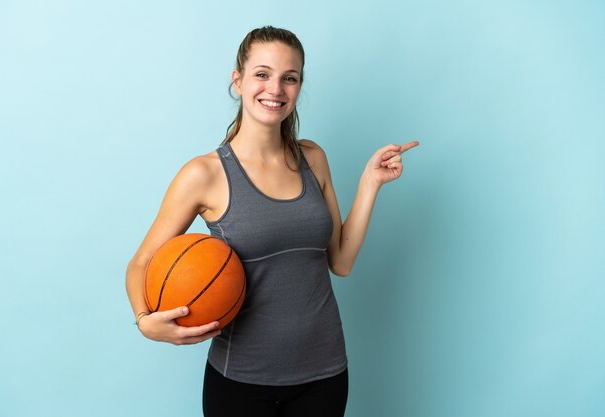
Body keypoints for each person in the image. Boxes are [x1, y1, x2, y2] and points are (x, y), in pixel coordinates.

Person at [125, 25, 419, 417]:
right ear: (238, 81)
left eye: (289, 78)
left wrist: (370, 183)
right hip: (240, 381)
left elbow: (341, 262)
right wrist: (145, 322)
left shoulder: (313, 159)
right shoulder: (205, 174)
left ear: (299, 87)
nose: (275, 89)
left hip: (325, 374)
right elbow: (142, 262)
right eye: (262, 74)